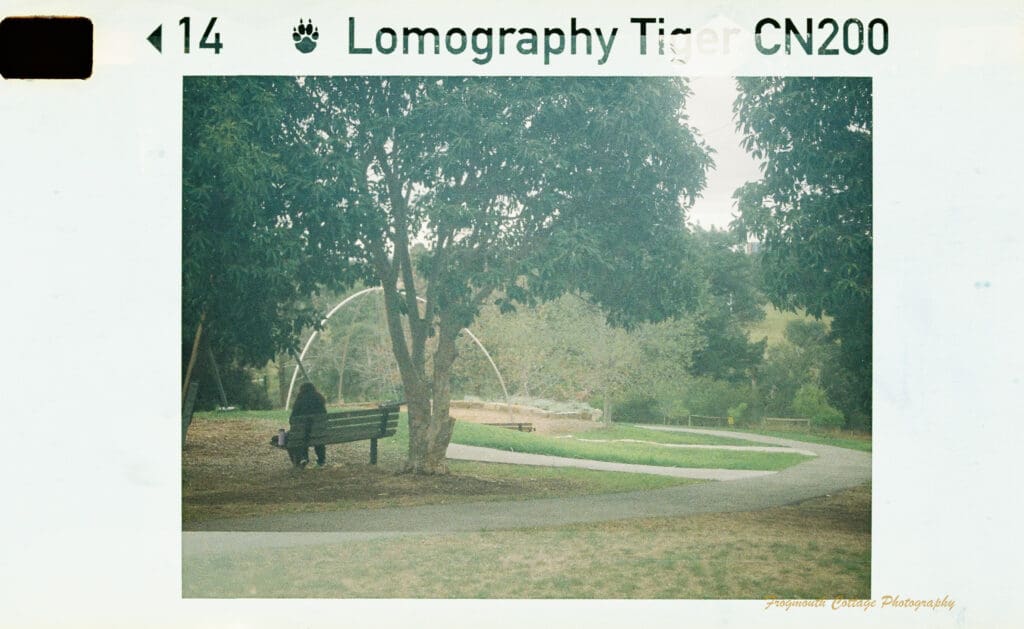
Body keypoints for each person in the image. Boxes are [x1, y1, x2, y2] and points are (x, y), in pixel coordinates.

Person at [288, 382, 328, 468]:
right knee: (317, 435)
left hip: (302, 434)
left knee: (295, 437)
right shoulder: (319, 398)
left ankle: (303, 458)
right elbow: (324, 415)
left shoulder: (300, 399)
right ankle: (321, 460)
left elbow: (292, 419)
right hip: (319, 433)